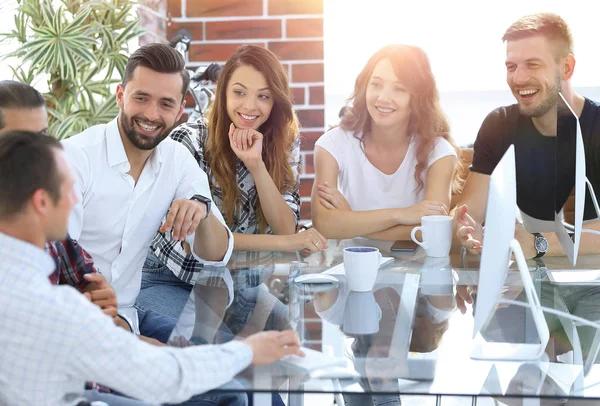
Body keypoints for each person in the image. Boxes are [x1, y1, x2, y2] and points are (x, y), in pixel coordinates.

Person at [0, 130, 303, 406]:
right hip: (87, 386)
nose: (75, 199)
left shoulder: (28, 278)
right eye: (68, 189)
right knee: (231, 393)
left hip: (98, 355)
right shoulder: (52, 307)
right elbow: (165, 379)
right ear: (41, 202)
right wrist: (248, 351)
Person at [61, 42, 233, 342]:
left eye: (165, 104)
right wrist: (138, 347)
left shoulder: (177, 159)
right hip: (73, 327)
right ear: (120, 96)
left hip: (128, 318)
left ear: (180, 111)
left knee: (240, 370)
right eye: (141, 98)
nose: (151, 114)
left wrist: (202, 212)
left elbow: (215, 253)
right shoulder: (75, 158)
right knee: (205, 377)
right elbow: (56, 273)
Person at [137, 44, 326, 314]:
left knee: (284, 334)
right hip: (172, 279)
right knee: (209, 347)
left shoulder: (282, 141)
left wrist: (257, 165)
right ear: (222, 93)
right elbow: (205, 248)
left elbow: (285, 226)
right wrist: (290, 242)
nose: (250, 106)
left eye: (264, 96)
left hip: (236, 283)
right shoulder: (188, 141)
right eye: (239, 92)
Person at [454, 12, 600, 259]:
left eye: (533, 64)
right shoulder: (499, 125)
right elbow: (469, 213)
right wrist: (463, 228)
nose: (518, 78)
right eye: (511, 66)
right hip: (528, 282)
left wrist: (538, 244)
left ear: (566, 67)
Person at [0, 80, 121, 327]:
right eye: (23, 143)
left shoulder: (38, 205)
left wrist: (97, 294)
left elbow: (84, 278)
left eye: (42, 137)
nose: (41, 153)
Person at [311, 44, 461, 240]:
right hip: (350, 265)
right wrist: (402, 215)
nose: (383, 98)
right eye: (376, 84)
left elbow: (434, 233)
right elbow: (324, 225)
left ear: (417, 97)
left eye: (399, 89)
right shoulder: (333, 144)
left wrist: (351, 221)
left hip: (417, 267)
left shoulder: (439, 151)